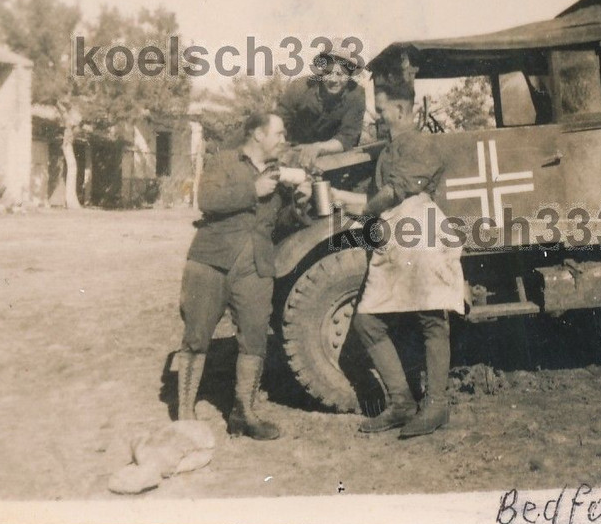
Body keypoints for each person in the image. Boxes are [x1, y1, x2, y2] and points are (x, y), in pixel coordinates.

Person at [339, 78, 465, 439]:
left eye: (381, 112)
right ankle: (401, 403)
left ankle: (437, 405)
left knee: (431, 318)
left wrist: (363, 209)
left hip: (420, 231)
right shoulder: (388, 151)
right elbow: (377, 196)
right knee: (367, 321)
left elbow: (393, 193)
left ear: (399, 110)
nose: (377, 119)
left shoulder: (421, 144)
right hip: (395, 236)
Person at [172, 113, 311, 440]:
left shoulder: (279, 175)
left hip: (256, 267)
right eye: (278, 132)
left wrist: (300, 207)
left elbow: (278, 222)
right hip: (211, 261)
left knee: (254, 340)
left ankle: (244, 413)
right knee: (197, 335)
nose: (283, 138)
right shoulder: (223, 161)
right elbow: (206, 199)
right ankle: (185, 412)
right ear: (258, 135)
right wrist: (253, 189)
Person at [278, 40, 366, 169]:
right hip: (293, 151)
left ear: (349, 75)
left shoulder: (356, 95)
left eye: (340, 74)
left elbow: (347, 138)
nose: (333, 80)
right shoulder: (300, 88)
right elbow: (276, 122)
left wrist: (317, 148)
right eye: (328, 72)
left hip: (331, 155)